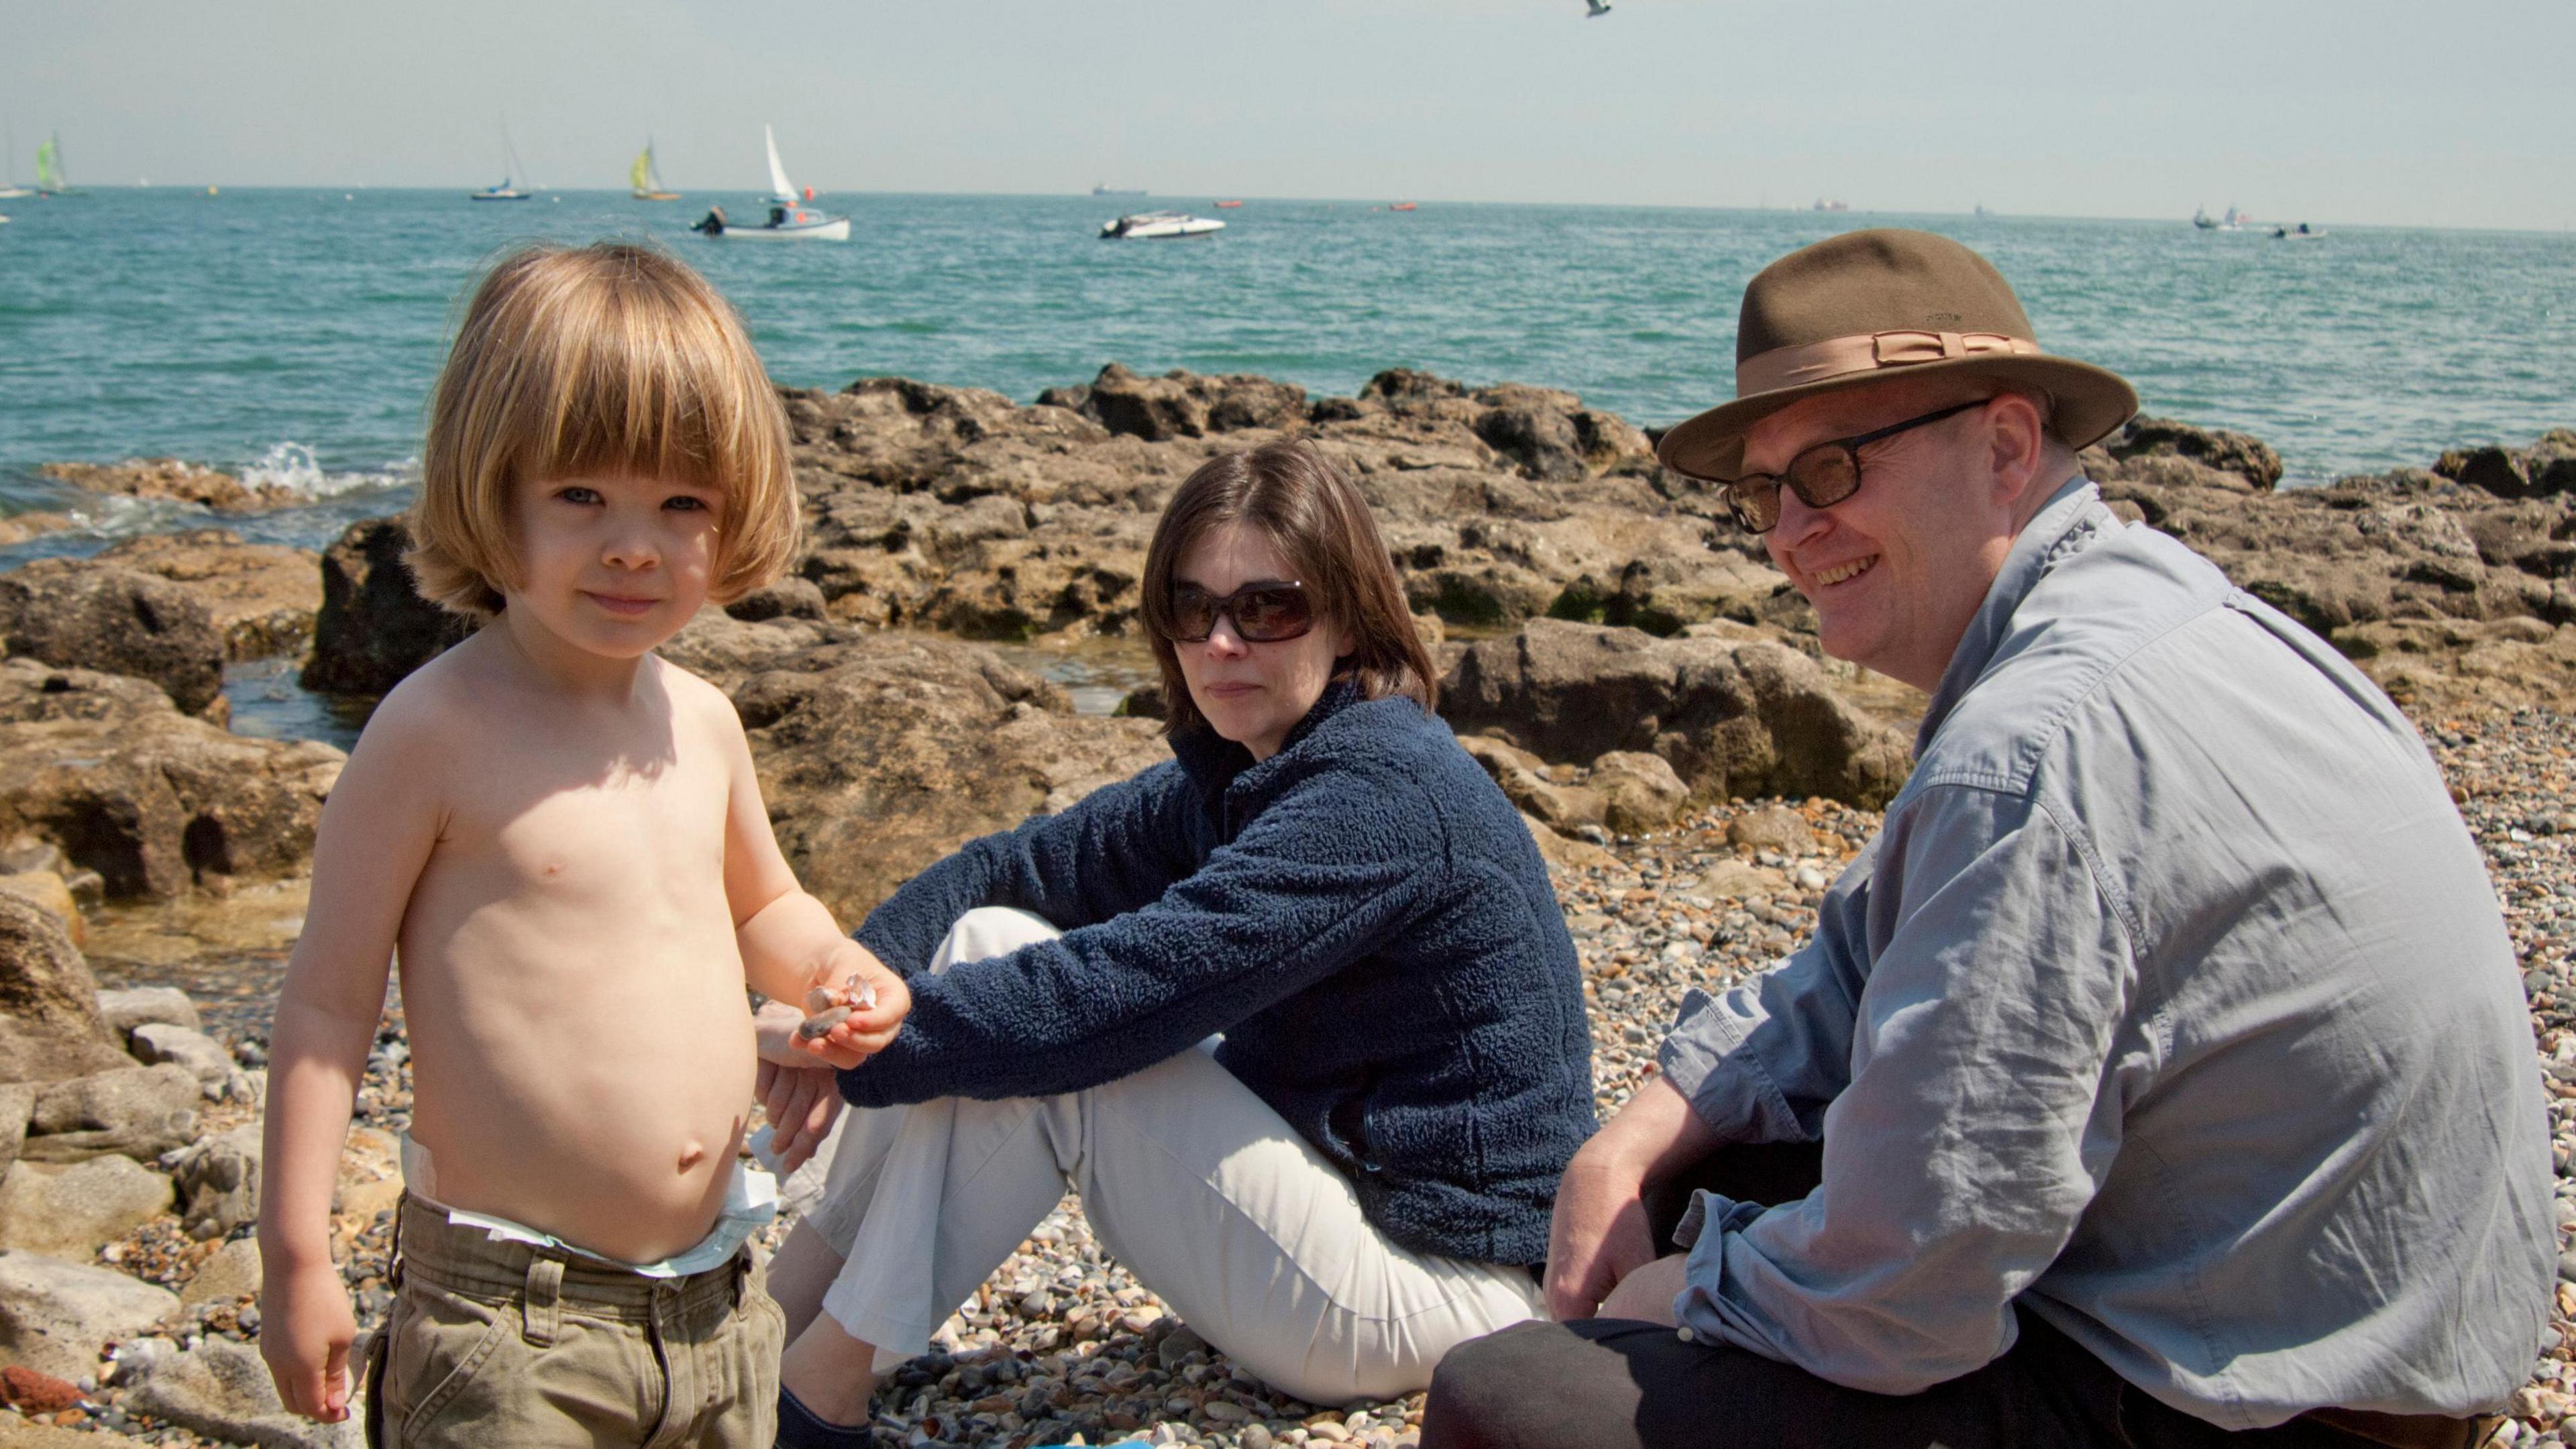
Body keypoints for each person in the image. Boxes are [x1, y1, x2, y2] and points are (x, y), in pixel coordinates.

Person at [1424, 229, 2553, 1449]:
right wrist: (1633, 1140)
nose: (1790, 532)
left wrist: (1679, 1297)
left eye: (1836, 468)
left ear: (2007, 445)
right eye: (1764, 491)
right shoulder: (2167, 615)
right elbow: (1858, 967)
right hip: (2357, 1341)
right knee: (1691, 1176)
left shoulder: (2032, 749)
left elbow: (1908, 1301)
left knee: (1512, 1405)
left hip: (2281, 1412)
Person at [762, 439, 1597, 1447]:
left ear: (1347, 615)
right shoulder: (1250, 765)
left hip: (1451, 1291)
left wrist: (863, 1049)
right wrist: (838, 998)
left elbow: (1125, 994)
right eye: (1191, 609)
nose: (1222, 644)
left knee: (1065, 1044)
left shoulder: (1381, 795)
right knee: (990, 942)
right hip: (1339, 1201)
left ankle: (816, 1392)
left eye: (1267, 607)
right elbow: (1013, 870)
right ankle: (766, 1329)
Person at [255, 242, 906, 1447]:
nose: (634, 546)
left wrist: (839, 976)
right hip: (513, 1326)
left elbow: (764, 910)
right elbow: (325, 1012)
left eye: (681, 504)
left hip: (714, 1306)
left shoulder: (701, 722)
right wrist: (296, 1257)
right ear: (492, 490)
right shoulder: (432, 733)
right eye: (580, 497)